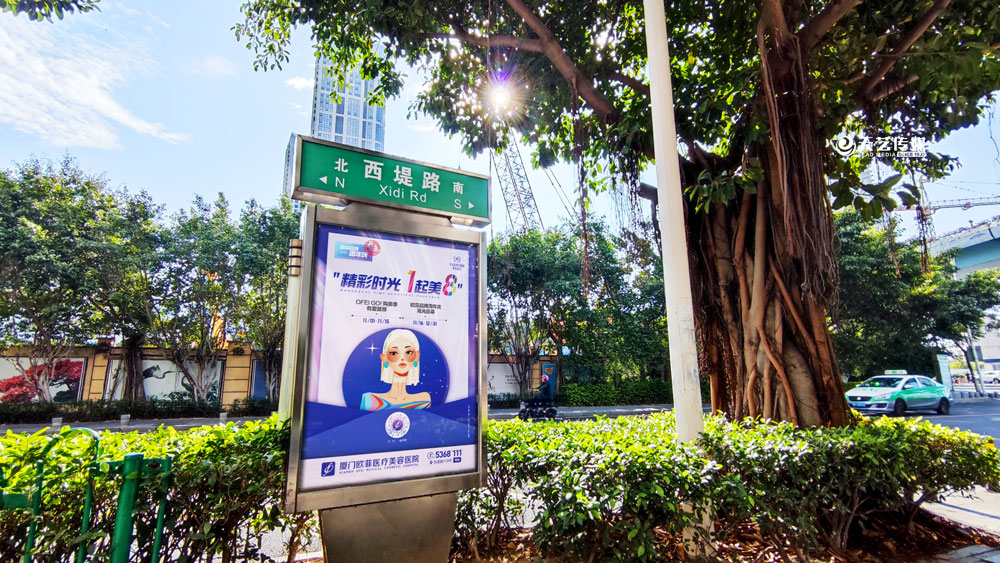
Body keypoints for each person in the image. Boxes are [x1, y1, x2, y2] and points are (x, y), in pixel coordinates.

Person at [360, 329, 431, 411]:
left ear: (417, 356)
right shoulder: (370, 400)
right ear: (384, 358)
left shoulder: (424, 400)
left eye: (408, 352)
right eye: (394, 353)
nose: (402, 358)